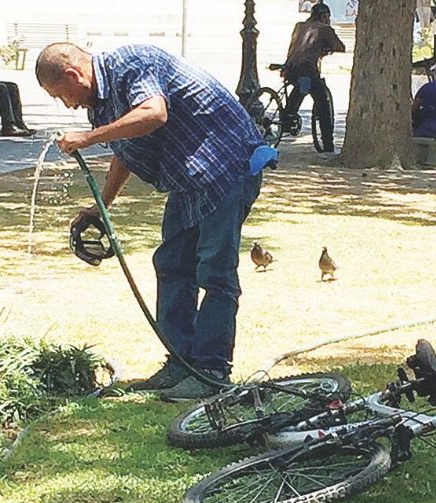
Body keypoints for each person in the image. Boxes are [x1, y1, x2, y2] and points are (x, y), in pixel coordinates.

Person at [35, 43, 270, 401]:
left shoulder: (132, 64)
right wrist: (104, 205)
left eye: (62, 95)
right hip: (190, 179)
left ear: (73, 75)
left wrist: (87, 138)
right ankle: (180, 364)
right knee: (172, 264)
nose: (68, 104)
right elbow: (126, 147)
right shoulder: (102, 104)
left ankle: (210, 372)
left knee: (215, 270)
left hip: (227, 166)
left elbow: (153, 114)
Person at [281, 2, 345, 153]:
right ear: (324, 16)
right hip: (307, 69)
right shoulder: (324, 29)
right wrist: (328, 48)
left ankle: (287, 116)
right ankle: (328, 144)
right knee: (323, 103)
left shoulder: (299, 25)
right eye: (328, 17)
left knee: (299, 89)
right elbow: (340, 47)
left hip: (290, 67)